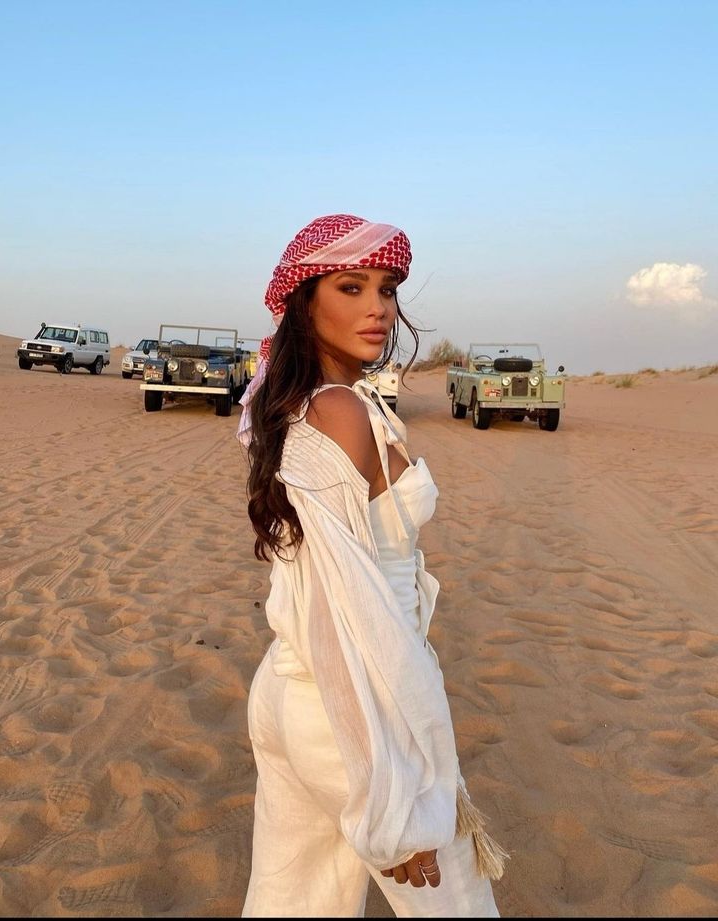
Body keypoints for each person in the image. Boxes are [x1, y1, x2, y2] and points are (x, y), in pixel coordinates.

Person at [238, 214, 507, 918]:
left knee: (294, 900)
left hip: (295, 692)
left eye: (387, 288)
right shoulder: (337, 412)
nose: (378, 307)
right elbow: (344, 612)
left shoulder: (316, 402)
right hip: (347, 705)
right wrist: (388, 796)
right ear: (304, 300)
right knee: (458, 907)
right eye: (351, 286)